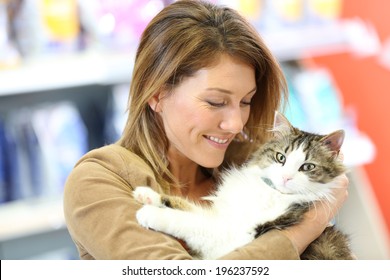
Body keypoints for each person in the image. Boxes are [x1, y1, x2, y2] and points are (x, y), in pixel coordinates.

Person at [63, 0, 349, 260]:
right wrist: (304, 228)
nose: (236, 124)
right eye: (216, 102)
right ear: (156, 94)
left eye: (246, 101)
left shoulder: (252, 162)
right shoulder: (97, 182)